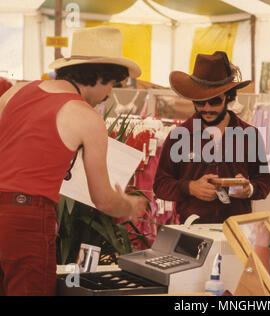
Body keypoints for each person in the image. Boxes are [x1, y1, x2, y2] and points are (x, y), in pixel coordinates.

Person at [0, 26, 146, 296]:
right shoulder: (86, 117)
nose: (109, 94)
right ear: (101, 77)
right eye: (112, 84)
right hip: (27, 217)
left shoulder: (15, 92)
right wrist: (128, 204)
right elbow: (102, 199)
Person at [153, 51, 270, 223]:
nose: (207, 108)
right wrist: (190, 187)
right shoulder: (179, 136)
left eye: (215, 101)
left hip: (238, 231)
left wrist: (250, 189)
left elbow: (264, 180)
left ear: (228, 97)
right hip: (192, 230)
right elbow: (160, 185)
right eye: (200, 102)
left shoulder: (250, 135)